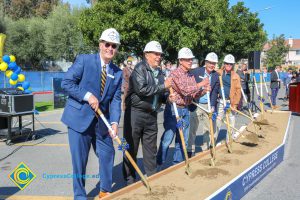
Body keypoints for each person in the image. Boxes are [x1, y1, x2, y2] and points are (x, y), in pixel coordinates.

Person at [61, 28, 122, 199]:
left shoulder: (117, 72)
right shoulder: (84, 61)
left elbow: (116, 100)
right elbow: (66, 83)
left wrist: (115, 123)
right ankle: (80, 196)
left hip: (102, 122)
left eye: (114, 46)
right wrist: (87, 96)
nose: (110, 48)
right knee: (79, 162)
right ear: (100, 45)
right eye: (107, 44)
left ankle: (105, 190)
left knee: (108, 153)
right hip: (78, 120)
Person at [122, 41, 172, 185]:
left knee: (151, 149)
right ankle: (130, 180)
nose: (159, 57)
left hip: (152, 114)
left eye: (160, 54)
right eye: (156, 54)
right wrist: (163, 86)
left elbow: (159, 94)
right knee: (131, 147)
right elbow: (142, 90)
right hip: (135, 113)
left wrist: (167, 98)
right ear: (146, 54)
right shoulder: (140, 68)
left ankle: (152, 177)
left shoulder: (160, 72)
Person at [157, 47, 209, 168]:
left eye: (191, 59)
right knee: (167, 139)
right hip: (173, 110)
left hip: (185, 109)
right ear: (180, 60)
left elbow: (192, 94)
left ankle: (177, 165)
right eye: (187, 59)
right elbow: (185, 91)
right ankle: (159, 162)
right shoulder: (175, 74)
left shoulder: (190, 75)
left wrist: (203, 91)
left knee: (183, 140)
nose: (190, 61)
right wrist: (201, 84)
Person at [188, 52, 220, 156]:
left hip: (208, 104)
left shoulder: (216, 75)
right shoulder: (196, 72)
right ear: (205, 62)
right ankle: (190, 150)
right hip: (196, 104)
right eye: (210, 63)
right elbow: (190, 84)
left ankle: (206, 149)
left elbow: (215, 92)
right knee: (193, 128)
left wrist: (212, 106)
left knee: (208, 128)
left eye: (214, 63)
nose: (212, 65)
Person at [215, 54, 241, 142]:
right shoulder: (218, 73)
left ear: (232, 65)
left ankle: (229, 140)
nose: (228, 65)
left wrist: (235, 104)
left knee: (231, 121)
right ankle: (213, 141)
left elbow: (238, 91)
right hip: (221, 102)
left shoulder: (236, 76)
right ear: (224, 64)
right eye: (227, 64)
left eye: (230, 64)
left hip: (230, 103)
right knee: (218, 121)